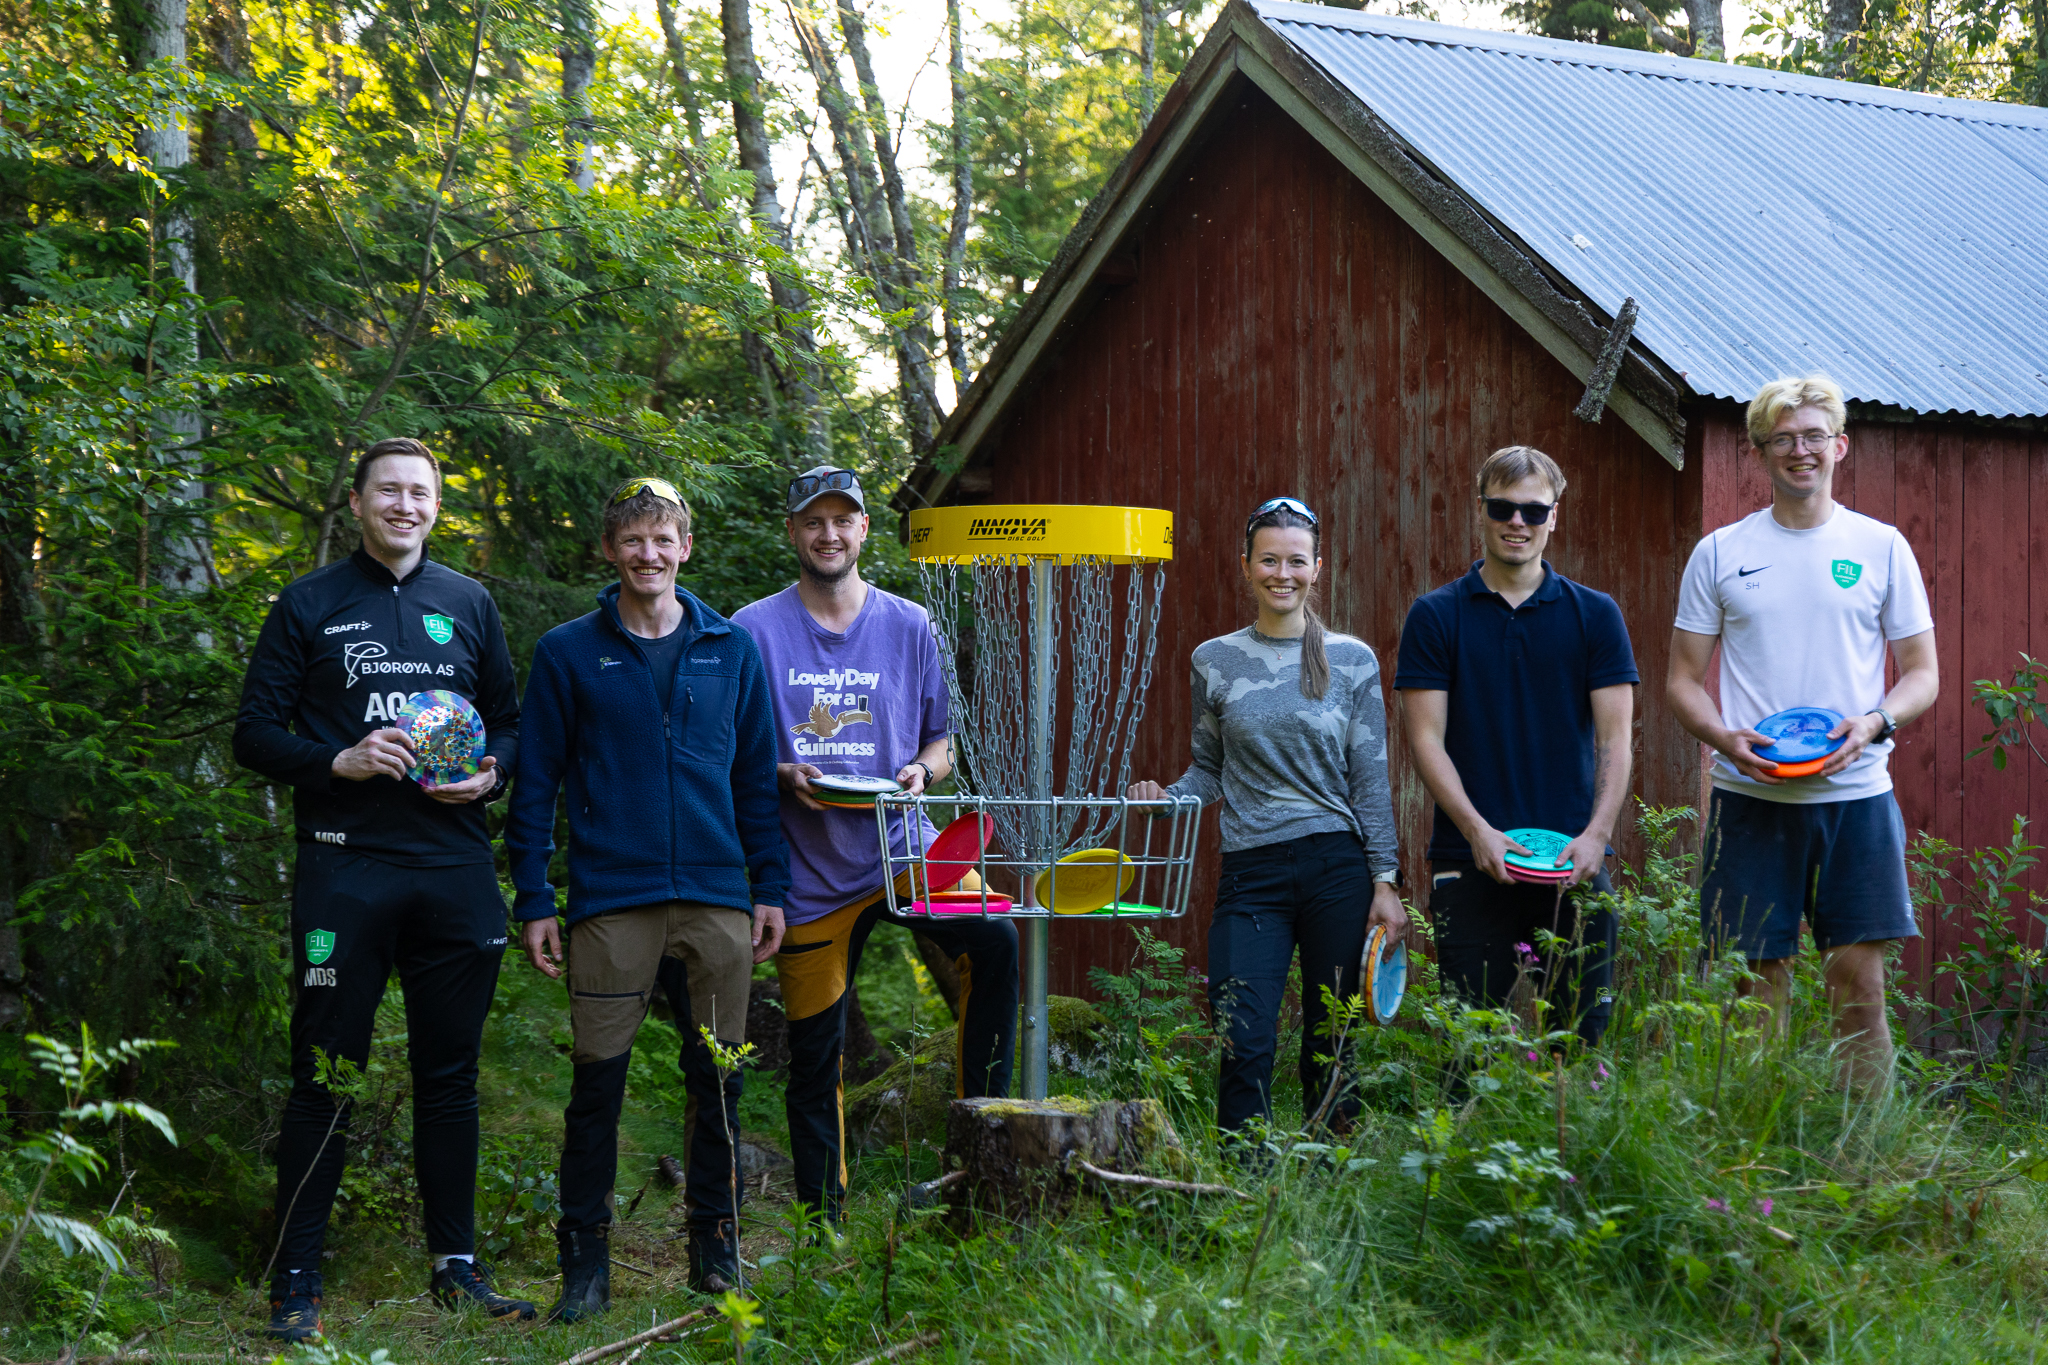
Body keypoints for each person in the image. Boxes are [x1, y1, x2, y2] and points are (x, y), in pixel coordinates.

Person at [233, 437, 533, 1343]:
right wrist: (340, 758)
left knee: (449, 1079)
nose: (406, 505)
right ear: (359, 503)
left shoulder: (468, 602)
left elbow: (512, 728)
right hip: (344, 867)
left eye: (421, 493)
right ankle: (296, 1278)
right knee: (325, 1075)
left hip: (452, 869)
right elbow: (253, 733)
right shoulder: (309, 603)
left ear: (438, 506)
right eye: (389, 491)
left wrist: (488, 777)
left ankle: (456, 1269)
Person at [506, 477, 790, 1317]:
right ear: (609, 550)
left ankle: (716, 1250)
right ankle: (584, 1271)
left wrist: (768, 886)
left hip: (716, 896)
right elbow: (538, 784)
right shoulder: (568, 651)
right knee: (599, 1087)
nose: (649, 554)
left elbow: (754, 782)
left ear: (685, 548)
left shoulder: (729, 648)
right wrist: (534, 895)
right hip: (610, 899)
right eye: (632, 539)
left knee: (721, 1081)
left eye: (663, 538)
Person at [731, 466, 1018, 1222]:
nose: (829, 533)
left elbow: (941, 740)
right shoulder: (750, 630)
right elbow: (729, 745)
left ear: (863, 530)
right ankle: (823, 1224)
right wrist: (777, 769)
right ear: (793, 531)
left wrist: (923, 770)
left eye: (843, 519)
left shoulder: (910, 623)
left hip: (906, 849)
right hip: (809, 871)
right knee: (814, 1053)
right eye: (813, 521)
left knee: (997, 939)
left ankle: (979, 1171)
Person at [1667, 374, 1938, 1090]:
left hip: (1855, 797)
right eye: (1783, 438)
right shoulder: (1720, 553)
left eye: (1814, 435)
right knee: (1754, 993)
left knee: (1860, 989)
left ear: (1840, 445)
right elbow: (1681, 681)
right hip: (1751, 801)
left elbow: (1921, 674)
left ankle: (1865, 1156)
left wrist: (1875, 722)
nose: (1801, 450)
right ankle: (1754, 1162)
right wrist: (1725, 738)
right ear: (1759, 453)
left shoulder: (1881, 547)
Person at [1128, 497, 1406, 1137]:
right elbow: (1210, 769)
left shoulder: (1353, 661)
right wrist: (1168, 799)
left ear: (1318, 568)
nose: (1284, 573)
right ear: (1246, 566)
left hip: (1337, 867)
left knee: (1331, 1034)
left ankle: (1332, 1176)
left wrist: (1385, 884)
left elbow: (1369, 779)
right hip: (1252, 872)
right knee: (1241, 1032)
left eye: (1297, 561)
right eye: (1270, 560)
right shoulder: (1214, 660)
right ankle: (1243, 1181)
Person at [1396, 446, 1638, 1047]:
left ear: (1555, 516)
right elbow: (1425, 739)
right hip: (1471, 857)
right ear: (1481, 510)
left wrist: (1597, 838)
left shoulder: (1596, 615)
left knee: (1580, 1047)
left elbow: (1615, 740)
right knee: (1466, 1053)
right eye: (1503, 507)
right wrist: (1477, 831)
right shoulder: (1436, 616)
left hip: (1573, 862)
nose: (1518, 523)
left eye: (1534, 511)